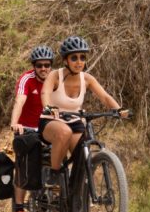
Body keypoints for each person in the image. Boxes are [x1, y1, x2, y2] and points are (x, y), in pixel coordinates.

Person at [39, 37, 126, 184]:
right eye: (74, 58)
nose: (79, 61)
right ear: (65, 60)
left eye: (82, 57)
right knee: (64, 132)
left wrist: (119, 110)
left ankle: (76, 196)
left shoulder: (87, 79)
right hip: (51, 121)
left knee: (82, 159)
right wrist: (48, 107)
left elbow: (105, 97)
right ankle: (54, 174)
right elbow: (45, 93)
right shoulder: (55, 76)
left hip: (74, 121)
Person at [8, 45, 54, 212]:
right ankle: (19, 209)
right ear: (34, 66)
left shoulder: (56, 80)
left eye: (47, 65)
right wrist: (15, 123)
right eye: (39, 65)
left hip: (48, 128)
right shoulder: (26, 79)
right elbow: (20, 101)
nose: (43, 69)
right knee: (24, 165)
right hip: (26, 129)